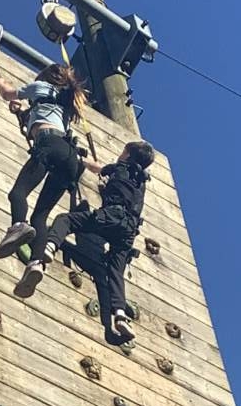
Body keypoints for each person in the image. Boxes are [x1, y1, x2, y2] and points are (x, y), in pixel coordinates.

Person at [17, 139, 156, 343]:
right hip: (128, 231)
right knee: (115, 272)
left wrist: (79, 159)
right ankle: (119, 315)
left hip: (112, 216)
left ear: (127, 155)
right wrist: (108, 187)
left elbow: (96, 167)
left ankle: (49, 246)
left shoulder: (120, 167)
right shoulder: (141, 181)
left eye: (123, 152)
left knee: (65, 220)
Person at [0, 62, 92, 259]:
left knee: (17, 193)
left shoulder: (41, 87)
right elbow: (44, 116)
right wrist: (22, 113)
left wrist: (0, 83)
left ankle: (18, 225)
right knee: (40, 216)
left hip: (49, 144)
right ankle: (36, 263)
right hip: (69, 157)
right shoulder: (66, 102)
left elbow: (7, 93)